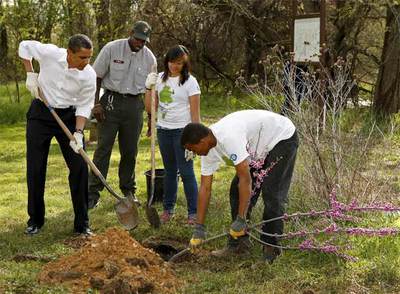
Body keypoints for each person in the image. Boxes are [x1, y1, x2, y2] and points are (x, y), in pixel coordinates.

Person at [181, 110, 299, 263]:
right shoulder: (207, 151)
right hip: (258, 148)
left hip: (281, 137)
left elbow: (246, 180)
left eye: (192, 149)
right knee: (236, 191)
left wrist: (241, 217)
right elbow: (205, 188)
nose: (193, 153)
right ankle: (239, 244)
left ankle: (271, 247)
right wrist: (199, 228)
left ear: (202, 141)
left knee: (272, 194)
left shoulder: (229, 137)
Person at [19, 34, 96, 236]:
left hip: (70, 117)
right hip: (41, 112)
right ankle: (35, 220)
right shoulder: (51, 53)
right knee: (36, 167)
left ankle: (82, 224)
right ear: (69, 53)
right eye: (82, 57)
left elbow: (84, 104)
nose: (86, 62)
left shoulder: (88, 75)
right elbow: (24, 46)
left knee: (79, 166)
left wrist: (78, 133)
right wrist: (30, 74)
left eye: (89, 57)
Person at [88, 21, 156, 208]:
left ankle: (128, 190)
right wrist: (96, 104)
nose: (139, 44)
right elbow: (96, 76)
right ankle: (93, 192)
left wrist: (151, 117)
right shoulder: (112, 48)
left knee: (130, 151)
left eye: (143, 41)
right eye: (137, 39)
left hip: (135, 105)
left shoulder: (149, 58)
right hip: (110, 102)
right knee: (103, 148)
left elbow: (151, 89)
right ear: (130, 33)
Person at [144, 45, 200, 225]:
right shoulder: (158, 79)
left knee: (186, 171)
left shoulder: (190, 82)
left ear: (185, 64)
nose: (174, 66)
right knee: (169, 171)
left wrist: (194, 139)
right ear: (166, 60)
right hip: (164, 130)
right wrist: (148, 87)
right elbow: (149, 107)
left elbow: (195, 114)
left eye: (179, 63)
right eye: (172, 62)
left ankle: (193, 212)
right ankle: (168, 209)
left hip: (183, 132)